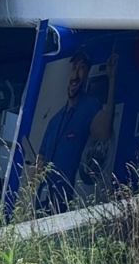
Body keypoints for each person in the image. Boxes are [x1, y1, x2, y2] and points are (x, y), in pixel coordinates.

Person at [34, 47, 118, 213]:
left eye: (82, 68)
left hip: (71, 203)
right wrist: (36, 170)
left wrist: (112, 79)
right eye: (74, 68)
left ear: (86, 74)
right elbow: (40, 159)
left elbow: (104, 133)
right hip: (45, 202)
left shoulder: (90, 106)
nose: (76, 74)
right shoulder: (55, 120)